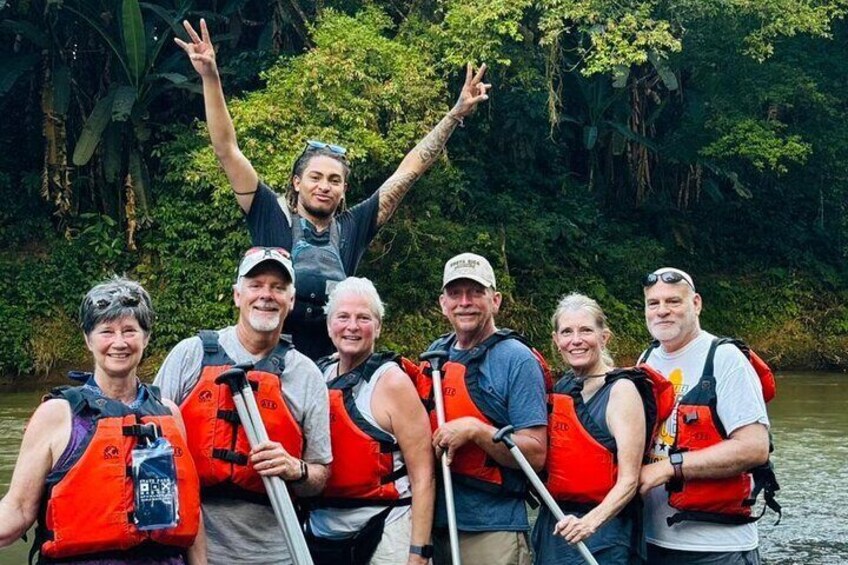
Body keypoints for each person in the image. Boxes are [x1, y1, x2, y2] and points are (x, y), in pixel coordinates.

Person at [175, 19, 492, 360]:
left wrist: (455, 115)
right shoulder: (267, 211)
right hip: (267, 361)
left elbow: (409, 170)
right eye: (315, 177)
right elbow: (227, 149)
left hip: (333, 367)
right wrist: (210, 76)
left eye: (334, 180)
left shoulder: (352, 227)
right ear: (297, 182)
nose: (324, 186)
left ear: (344, 190)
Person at [0, 277, 205, 564]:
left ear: (145, 338)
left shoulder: (168, 414)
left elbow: (190, 513)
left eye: (130, 331)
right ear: (88, 339)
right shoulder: (58, 414)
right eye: (106, 331)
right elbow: (18, 510)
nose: (119, 343)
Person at [154, 247, 331, 565]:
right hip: (192, 546)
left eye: (278, 287)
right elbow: (150, 449)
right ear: (237, 295)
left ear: (291, 301)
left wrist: (295, 468)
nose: (267, 295)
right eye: (256, 284)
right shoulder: (189, 355)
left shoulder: (306, 375)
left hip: (275, 550)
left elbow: (319, 476)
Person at [638, 267, 771, 565]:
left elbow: (754, 447)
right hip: (650, 540)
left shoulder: (725, 359)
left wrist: (668, 468)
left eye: (673, 302)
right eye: (653, 303)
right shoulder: (646, 360)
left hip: (715, 548)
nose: (662, 311)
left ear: (696, 303)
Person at [423, 253, 548, 565]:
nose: (465, 301)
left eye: (476, 292)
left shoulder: (516, 359)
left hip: (493, 527)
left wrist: (476, 431)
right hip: (435, 523)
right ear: (443, 303)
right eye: (455, 293)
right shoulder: (434, 358)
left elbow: (535, 452)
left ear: (495, 300)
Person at [535, 293, 673, 564]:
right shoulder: (562, 389)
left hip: (604, 532)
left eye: (586, 330)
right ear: (556, 341)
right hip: (557, 523)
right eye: (567, 332)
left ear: (604, 337)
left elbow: (630, 480)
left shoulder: (622, 391)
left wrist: (589, 524)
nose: (576, 340)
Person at [306, 277, 435, 564]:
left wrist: (419, 553)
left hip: (385, 526)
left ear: (377, 327)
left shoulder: (393, 383)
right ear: (329, 325)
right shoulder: (317, 376)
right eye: (343, 317)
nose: (352, 326)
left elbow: (424, 475)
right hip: (321, 530)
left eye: (363, 318)